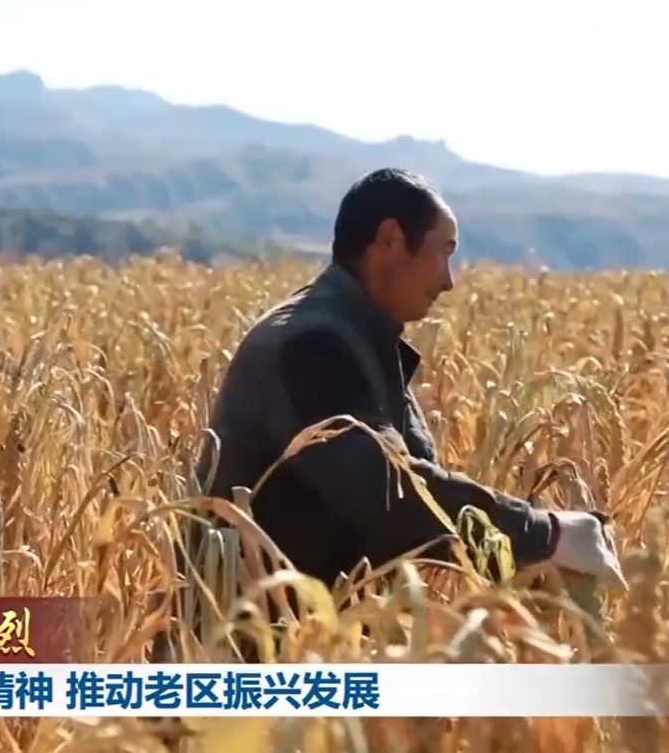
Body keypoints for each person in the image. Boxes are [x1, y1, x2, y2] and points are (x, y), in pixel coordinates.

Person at [193, 168, 625, 617]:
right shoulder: (313, 343)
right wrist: (545, 535)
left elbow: (409, 483)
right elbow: (383, 493)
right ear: (392, 239)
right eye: (445, 252)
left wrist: (527, 543)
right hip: (246, 641)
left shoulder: (357, 337)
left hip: (298, 630)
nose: (448, 280)